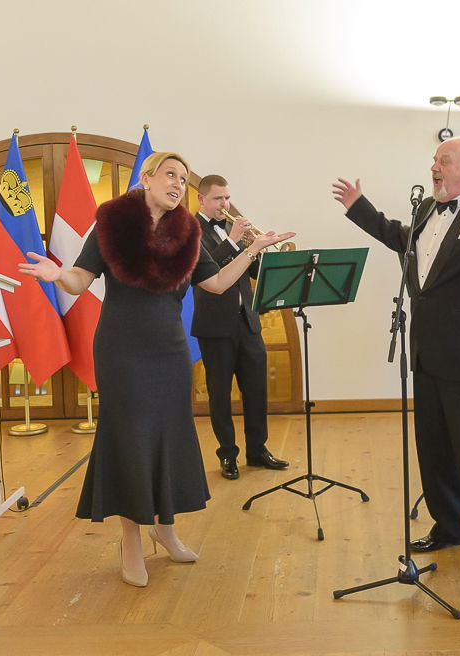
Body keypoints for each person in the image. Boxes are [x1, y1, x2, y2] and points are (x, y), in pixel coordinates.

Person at [18, 152, 293, 588]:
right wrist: (56, 275)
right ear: (146, 178)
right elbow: (80, 279)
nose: (177, 183)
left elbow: (217, 283)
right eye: (170, 174)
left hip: (168, 350)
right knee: (131, 440)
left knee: (169, 435)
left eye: (183, 179)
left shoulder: (189, 232)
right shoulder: (111, 223)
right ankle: (130, 541)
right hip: (122, 349)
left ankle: (165, 529)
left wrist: (251, 248)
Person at [332, 137, 460, 581]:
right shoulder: (427, 208)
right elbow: (401, 239)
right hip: (427, 349)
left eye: (443, 161)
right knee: (434, 448)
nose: (434, 167)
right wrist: (359, 207)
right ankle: (449, 526)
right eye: (434, 160)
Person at [191, 175, 289, 480]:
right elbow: (207, 269)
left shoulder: (235, 229)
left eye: (227, 198)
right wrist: (234, 241)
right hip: (214, 325)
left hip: (247, 321)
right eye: (219, 199)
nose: (225, 204)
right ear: (202, 199)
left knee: (256, 390)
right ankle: (227, 455)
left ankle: (257, 450)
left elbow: (255, 272)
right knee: (219, 395)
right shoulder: (190, 231)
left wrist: (259, 249)